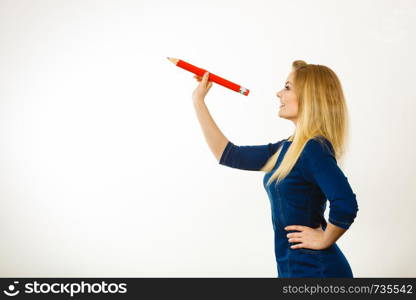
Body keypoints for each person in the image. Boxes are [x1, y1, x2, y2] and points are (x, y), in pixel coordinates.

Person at [191, 60, 359, 278]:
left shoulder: (313, 149)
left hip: (316, 271)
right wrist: (198, 101)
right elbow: (228, 154)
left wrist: (325, 238)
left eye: (287, 87)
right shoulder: (288, 149)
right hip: (292, 267)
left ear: (310, 98)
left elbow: (345, 204)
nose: (278, 93)